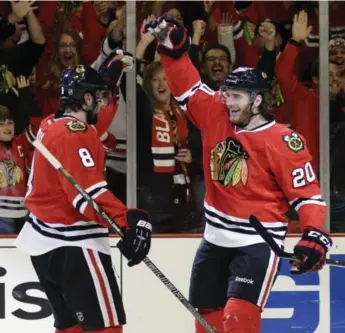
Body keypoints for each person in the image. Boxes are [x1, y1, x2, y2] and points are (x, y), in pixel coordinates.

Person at [145, 17, 332, 333]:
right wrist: (173, 48)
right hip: (214, 239)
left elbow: (308, 195)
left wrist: (313, 232)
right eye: (228, 94)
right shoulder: (216, 110)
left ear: (258, 101)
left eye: (237, 97)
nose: (228, 101)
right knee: (205, 318)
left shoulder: (283, 141)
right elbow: (187, 84)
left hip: (257, 242)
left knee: (238, 320)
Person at [15, 58, 152, 333]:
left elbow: (96, 123)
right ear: (86, 98)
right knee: (105, 328)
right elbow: (88, 195)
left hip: (44, 245)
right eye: (99, 97)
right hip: (76, 247)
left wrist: (110, 80)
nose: (104, 103)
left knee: (71, 328)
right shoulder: (75, 135)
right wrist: (128, 221)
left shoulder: (50, 124)